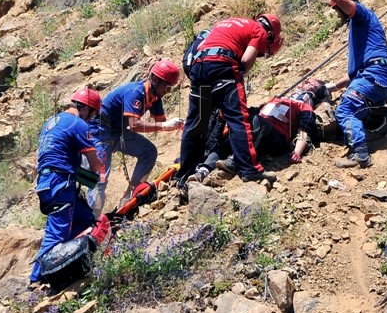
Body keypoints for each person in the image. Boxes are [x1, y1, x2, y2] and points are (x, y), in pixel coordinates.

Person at [304, 0, 387, 169]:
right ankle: (381, 120)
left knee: (345, 109)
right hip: (381, 79)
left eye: (337, 9)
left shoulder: (362, 15)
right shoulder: (361, 34)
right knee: (353, 104)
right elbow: (355, 75)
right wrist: (329, 87)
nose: (338, 13)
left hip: (376, 76)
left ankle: (361, 154)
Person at [176, 14, 283, 186]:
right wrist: (237, 78)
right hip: (223, 65)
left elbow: (201, 45)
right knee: (238, 120)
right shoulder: (259, 31)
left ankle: (183, 176)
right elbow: (246, 60)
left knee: (196, 124)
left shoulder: (228, 23)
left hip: (199, 67)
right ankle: (250, 170)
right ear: (270, 33)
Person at [87, 61, 184, 215]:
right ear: (155, 79)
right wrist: (166, 126)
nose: (168, 91)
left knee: (148, 152)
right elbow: (135, 125)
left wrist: (178, 125)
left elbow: (160, 122)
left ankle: (129, 198)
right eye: (166, 86)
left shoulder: (155, 97)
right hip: (100, 131)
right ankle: (90, 222)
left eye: (170, 87)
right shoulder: (136, 92)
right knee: (100, 178)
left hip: (118, 132)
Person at [30, 87, 105, 283]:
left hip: (48, 181)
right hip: (60, 182)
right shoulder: (78, 124)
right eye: (93, 114)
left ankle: (75, 264)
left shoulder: (51, 122)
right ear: (86, 109)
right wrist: (99, 164)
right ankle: (36, 280)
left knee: (84, 219)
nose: (91, 119)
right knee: (56, 233)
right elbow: (95, 163)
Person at [190, 79, 328, 183]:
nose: (306, 81)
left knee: (259, 122)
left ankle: (236, 161)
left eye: (311, 83)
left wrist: (297, 152)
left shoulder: (304, 106)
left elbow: (304, 130)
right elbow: (256, 112)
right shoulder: (278, 100)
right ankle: (202, 171)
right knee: (230, 139)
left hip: (277, 140)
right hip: (259, 130)